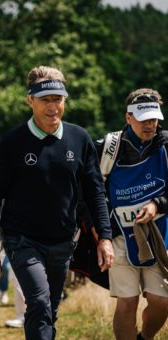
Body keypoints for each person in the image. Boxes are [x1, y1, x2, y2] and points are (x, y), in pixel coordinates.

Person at [0, 65, 114, 339]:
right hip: (22, 240)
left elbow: (94, 192)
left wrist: (105, 237)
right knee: (39, 304)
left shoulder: (80, 139)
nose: (53, 107)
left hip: (63, 240)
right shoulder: (12, 143)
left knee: (50, 311)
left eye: (58, 99)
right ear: (30, 100)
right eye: (45, 100)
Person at [94, 89, 168, 340]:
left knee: (162, 301)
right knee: (127, 302)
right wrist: (103, 232)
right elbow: (89, 192)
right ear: (128, 118)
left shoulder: (166, 145)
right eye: (143, 118)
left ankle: (144, 338)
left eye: (154, 119)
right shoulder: (107, 147)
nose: (150, 125)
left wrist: (157, 204)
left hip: (161, 234)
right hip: (119, 235)